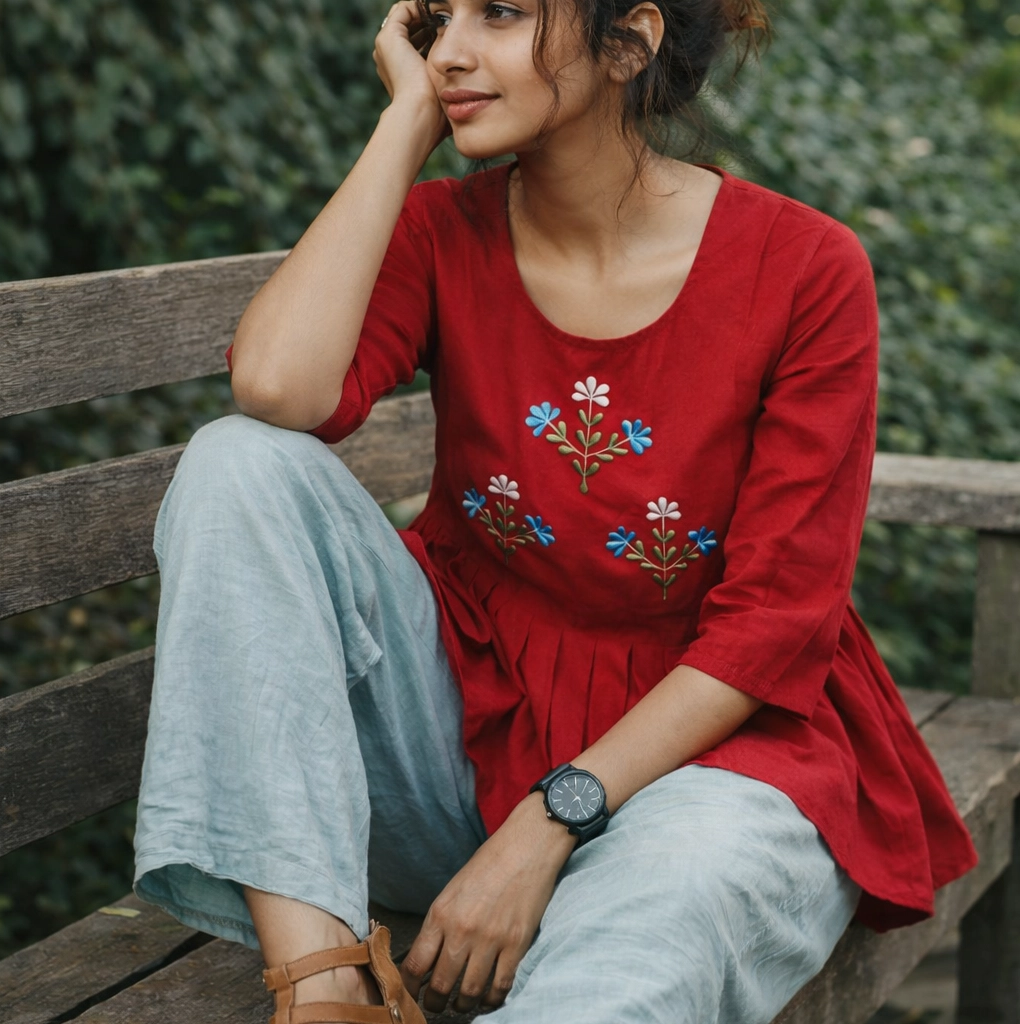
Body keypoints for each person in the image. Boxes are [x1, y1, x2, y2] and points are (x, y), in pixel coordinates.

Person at [131, 1, 979, 1022]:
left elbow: (772, 626)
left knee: (648, 931)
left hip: (711, 763)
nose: (447, 53)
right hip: (461, 738)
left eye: (499, 14)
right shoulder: (442, 232)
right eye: (438, 20)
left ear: (627, 42)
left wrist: (547, 824)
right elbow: (275, 389)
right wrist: (405, 127)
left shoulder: (802, 269)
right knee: (239, 464)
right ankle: (323, 995)